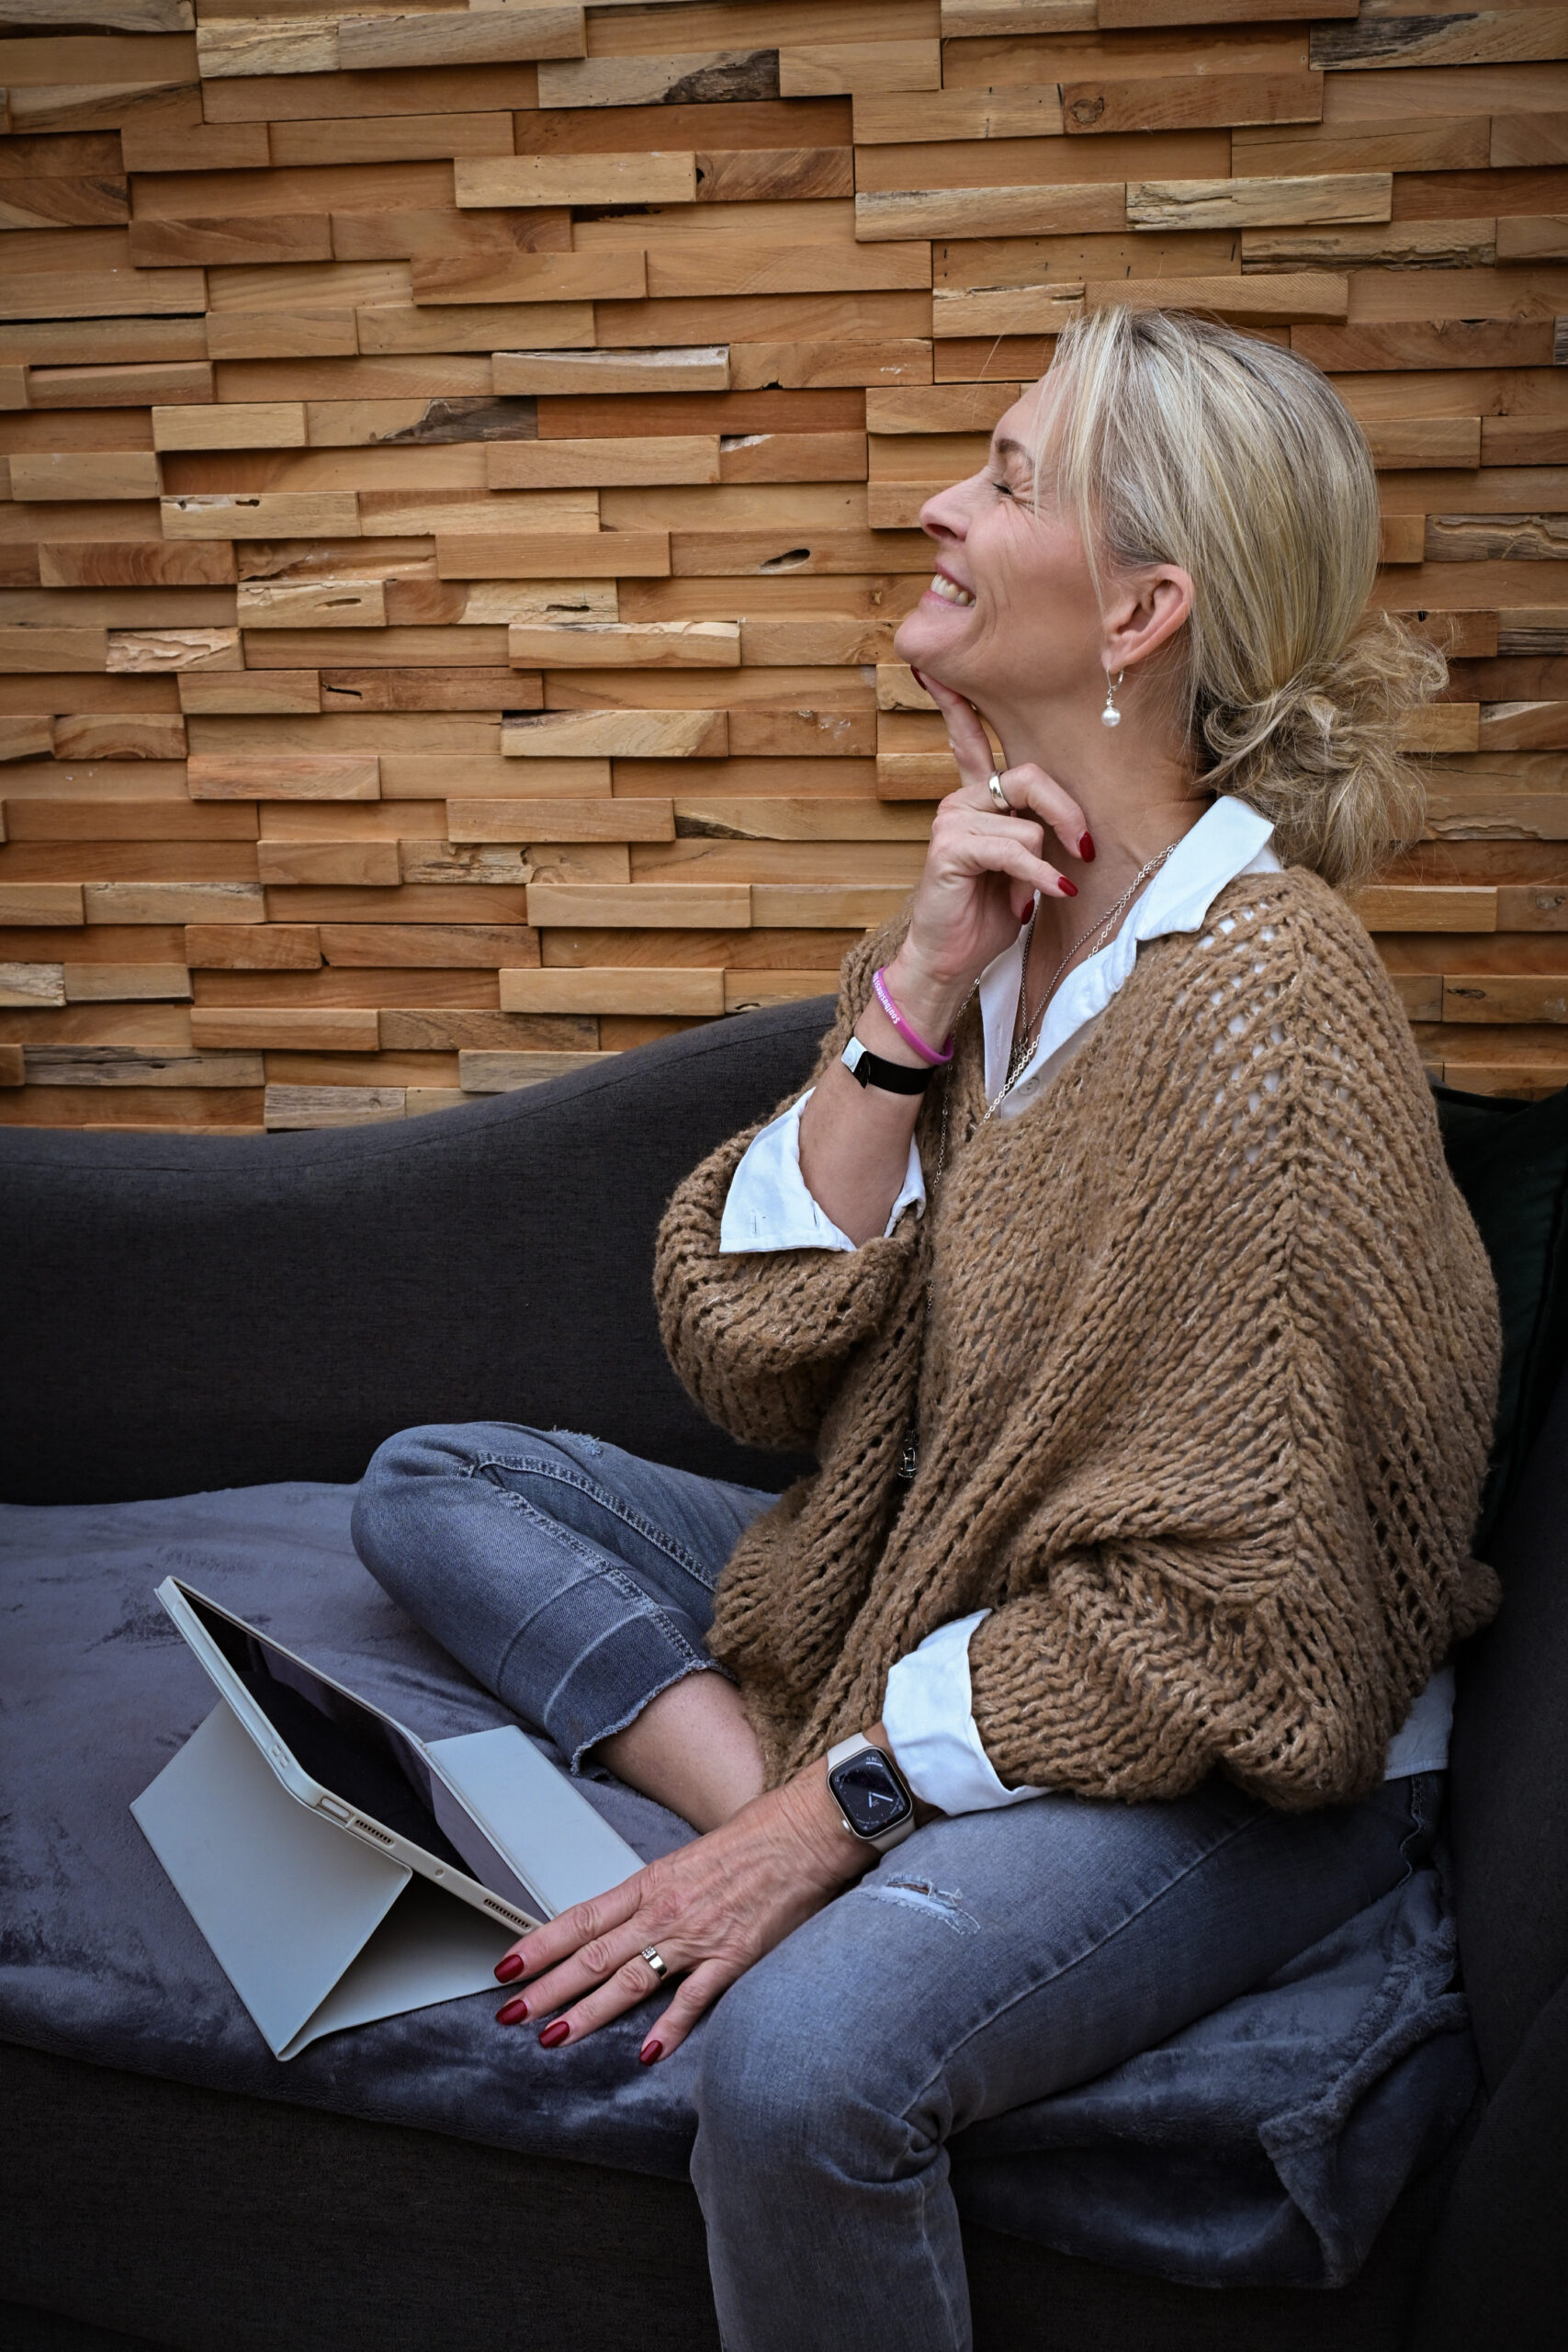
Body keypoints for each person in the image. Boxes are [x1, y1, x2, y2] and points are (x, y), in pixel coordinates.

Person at [351, 306, 1502, 2351]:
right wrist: (909, 992)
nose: (932, 507)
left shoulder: (1269, 1021)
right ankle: (798, 1796)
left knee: (802, 2071)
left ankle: (815, 1819)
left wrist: (834, 1813)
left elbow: (1265, 1636)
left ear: (1141, 607)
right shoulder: (1005, 920)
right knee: (442, 1482)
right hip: (944, 1615)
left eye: (1001, 475)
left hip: (1225, 1755)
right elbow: (747, 1352)